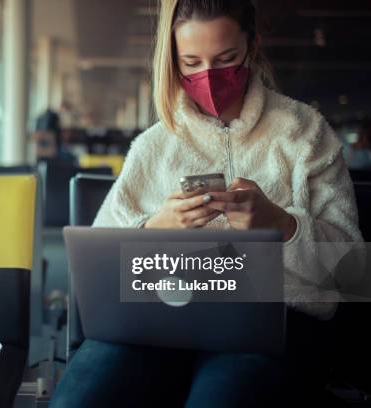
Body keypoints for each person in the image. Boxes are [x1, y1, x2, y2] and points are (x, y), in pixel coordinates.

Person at [49, 0, 363, 407]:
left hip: (273, 325)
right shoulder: (153, 147)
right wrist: (151, 231)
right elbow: (95, 272)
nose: (208, 77)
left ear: (253, 45)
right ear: (173, 61)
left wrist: (283, 226)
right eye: (192, 62)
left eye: (226, 58)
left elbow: (352, 272)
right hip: (159, 321)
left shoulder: (304, 134)